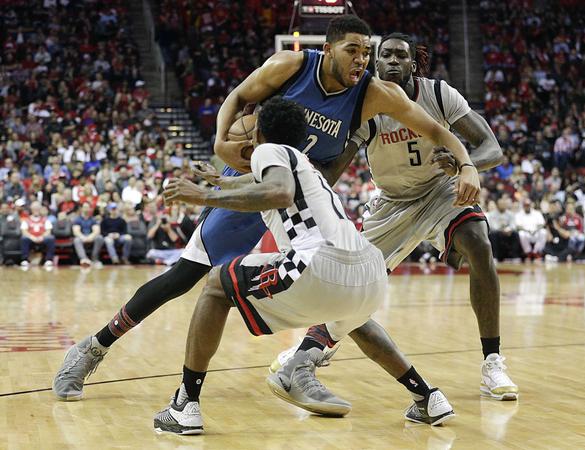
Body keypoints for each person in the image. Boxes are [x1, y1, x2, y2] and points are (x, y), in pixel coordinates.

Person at [53, 17, 479, 422]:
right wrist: (220, 144)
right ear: (328, 49)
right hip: (254, 183)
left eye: (366, 52)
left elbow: (439, 131)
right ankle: (93, 348)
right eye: (353, 50)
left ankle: (301, 371)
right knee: (186, 276)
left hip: (300, 194)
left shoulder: (374, 93)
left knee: (337, 289)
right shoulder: (291, 66)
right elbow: (237, 98)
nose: (362, 60)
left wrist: (467, 165)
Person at [152, 97, 453, 434]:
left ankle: (185, 405)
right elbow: (259, 184)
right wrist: (219, 182)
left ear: (258, 133)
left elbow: (278, 193)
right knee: (354, 319)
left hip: (316, 265)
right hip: (370, 275)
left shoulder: (268, 150)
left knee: (215, 286)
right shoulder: (303, 164)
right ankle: (427, 397)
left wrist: (202, 197)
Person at [270, 33, 517, 406]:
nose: (392, 61)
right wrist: (295, 177)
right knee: (350, 285)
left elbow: (491, 147)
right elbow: (334, 169)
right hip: (391, 204)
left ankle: (492, 362)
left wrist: (464, 164)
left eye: (400, 55)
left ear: (413, 64)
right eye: (384, 55)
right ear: (376, 63)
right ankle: (315, 345)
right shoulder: (366, 104)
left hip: (439, 192)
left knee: (479, 244)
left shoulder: (439, 95)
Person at [19, 201, 55, 268]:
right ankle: (25, 259)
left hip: (42, 239)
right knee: (24, 238)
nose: (36, 210)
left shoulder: (45, 220)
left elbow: (48, 231)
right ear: (31, 209)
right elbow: (24, 231)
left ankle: (49, 259)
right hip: (31, 238)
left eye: (37, 208)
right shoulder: (27, 220)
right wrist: (32, 237)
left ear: (40, 209)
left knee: (51, 238)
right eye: (34, 208)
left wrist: (42, 237)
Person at [487, 194, 520, 261]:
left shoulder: (510, 214)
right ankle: (495, 256)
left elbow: (513, 225)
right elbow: (492, 226)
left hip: (508, 232)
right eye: (501, 204)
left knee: (516, 234)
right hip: (497, 233)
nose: (502, 205)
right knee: (493, 234)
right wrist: (502, 230)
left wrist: (509, 229)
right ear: (497, 205)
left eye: (504, 204)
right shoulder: (492, 214)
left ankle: (514, 256)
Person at [72, 202, 105, 268]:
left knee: (100, 237)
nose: (86, 209)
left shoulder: (93, 219)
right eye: (85, 207)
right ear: (81, 208)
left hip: (91, 237)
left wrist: (90, 237)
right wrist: (83, 237)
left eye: (88, 207)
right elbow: (76, 231)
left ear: (90, 209)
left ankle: (94, 259)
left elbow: (97, 230)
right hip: (81, 237)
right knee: (76, 240)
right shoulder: (77, 220)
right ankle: (84, 259)